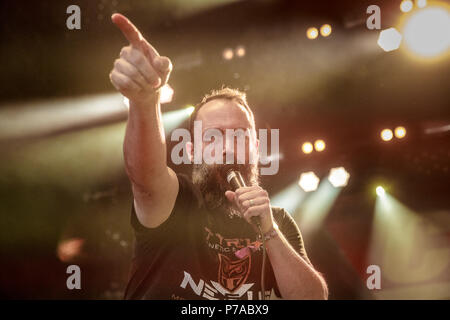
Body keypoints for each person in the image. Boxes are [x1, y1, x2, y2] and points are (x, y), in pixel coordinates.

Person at [109, 13, 328, 300]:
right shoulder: (177, 201)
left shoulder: (277, 221)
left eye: (240, 135)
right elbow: (145, 175)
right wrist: (144, 101)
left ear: (256, 149)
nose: (227, 147)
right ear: (190, 150)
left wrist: (270, 233)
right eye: (213, 137)